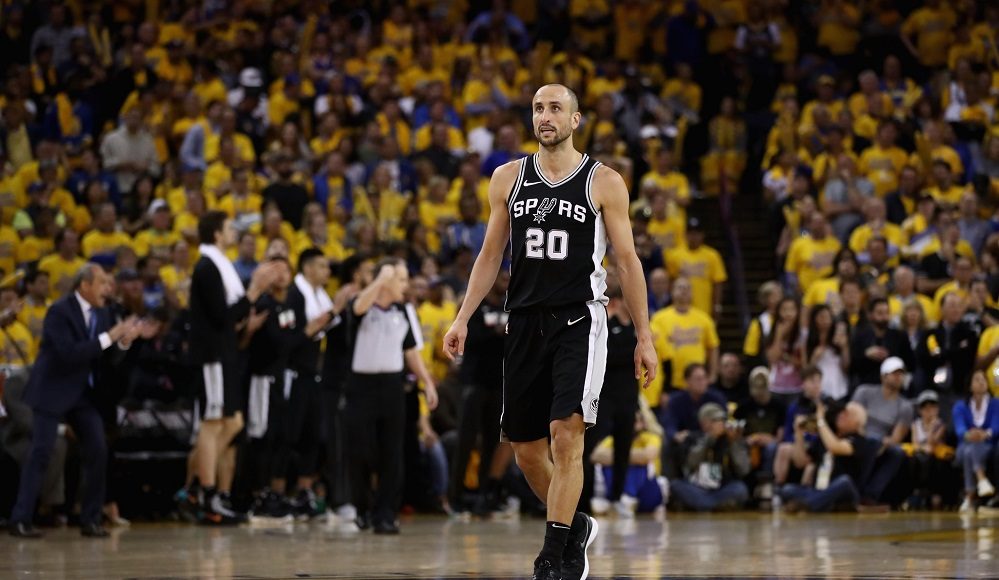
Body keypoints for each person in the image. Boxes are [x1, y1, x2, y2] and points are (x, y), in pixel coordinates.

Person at [443, 84, 657, 580]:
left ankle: (552, 556)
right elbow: (490, 255)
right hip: (523, 321)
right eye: (538, 108)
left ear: (575, 119)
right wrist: (462, 316)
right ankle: (575, 526)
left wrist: (644, 337)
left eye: (555, 108)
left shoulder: (604, 181)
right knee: (525, 451)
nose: (545, 115)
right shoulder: (507, 177)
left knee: (566, 434)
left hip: (578, 320)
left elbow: (627, 262)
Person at [8, 264, 142, 538]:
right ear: (85, 285)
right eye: (103, 283)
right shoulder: (59, 311)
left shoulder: (103, 313)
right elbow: (68, 354)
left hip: (82, 393)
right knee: (41, 452)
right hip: (53, 389)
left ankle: (90, 519)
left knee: (98, 448)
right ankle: (20, 519)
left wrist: (123, 343)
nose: (108, 288)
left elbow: (107, 357)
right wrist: (110, 337)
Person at [186, 211, 281, 524]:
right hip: (212, 355)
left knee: (234, 422)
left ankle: (196, 484)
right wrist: (254, 290)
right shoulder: (207, 267)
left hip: (226, 353)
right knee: (212, 423)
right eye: (229, 228)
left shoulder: (219, 265)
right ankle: (207, 494)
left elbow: (231, 317)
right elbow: (221, 317)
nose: (234, 232)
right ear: (216, 233)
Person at [346, 258, 438, 535]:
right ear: (385, 281)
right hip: (361, 387)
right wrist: (380, 279)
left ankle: (385, 513)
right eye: (400, 279)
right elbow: (357, 308)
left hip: (392, 387)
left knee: (392, 453)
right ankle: (362, 507)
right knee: (362, 451)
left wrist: (427, 382)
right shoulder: (363, 305)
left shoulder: (403, 310)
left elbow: (410, 352)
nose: (405, 285)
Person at [778, 401, 873, 513]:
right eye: (842, 412)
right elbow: (800, 462)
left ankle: (808, 505)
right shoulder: (825, 437)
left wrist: (820, 420)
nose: (842, 415)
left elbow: (835, 447)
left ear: (857, 423)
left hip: (846, 491)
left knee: (844, 482)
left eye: (848, 414)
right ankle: (821, 504)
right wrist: (798, 433)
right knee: (788, 489)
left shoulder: (859, 440)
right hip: (820, 490)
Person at [851, 357, 912, 507]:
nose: (899, 377)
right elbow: (852, 418)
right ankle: (853, 492)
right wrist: (864, 439)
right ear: (883, 376)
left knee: (897, 452)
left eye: (901, 374)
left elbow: (896, 437)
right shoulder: (864, 392)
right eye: (894, 373)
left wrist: (885, 443)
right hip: (858, 434)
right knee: (870, 444)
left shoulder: (905, 406)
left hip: (882, 442)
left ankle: (870, 495)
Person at [669, 403, 751, 512]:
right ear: (703, 423)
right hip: (696, 488)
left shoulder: (730, 440)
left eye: (722, 420)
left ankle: (704, 505)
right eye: (715, 420)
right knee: (675, 485)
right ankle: (713, 505)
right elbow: (691, 463)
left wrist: (734, 443)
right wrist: (709, 439)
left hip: (722, 488)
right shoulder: (692, 438)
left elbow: (743, 470)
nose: (720, 424)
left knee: (740, 489)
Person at [953, 371, 999, 513]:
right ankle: (981, 478)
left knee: (970, 452)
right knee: (969, 449)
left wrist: (985, 434)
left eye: (984, 379)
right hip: (965, 444)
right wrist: (970, 434)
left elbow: (996, 427)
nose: (981, 382)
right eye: (977, 379)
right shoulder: (960, 406)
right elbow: (959, 429)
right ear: (970, 386)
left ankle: (970, 496)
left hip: (988, 445)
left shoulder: (996, 403)